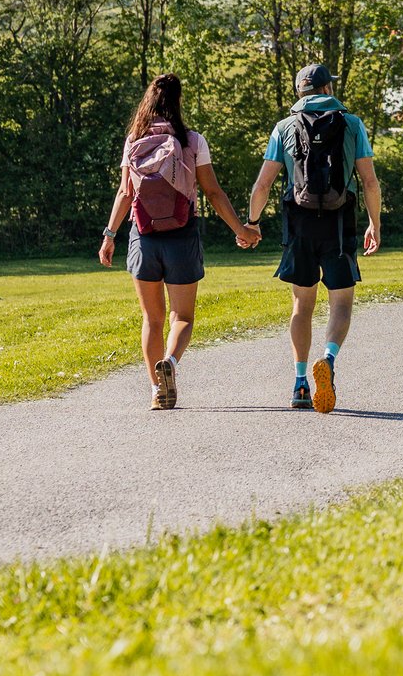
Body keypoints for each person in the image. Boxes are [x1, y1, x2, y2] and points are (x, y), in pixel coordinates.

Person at [97, 73, 255, 410]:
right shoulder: (193, 141)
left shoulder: (133, 140)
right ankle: (170, 362)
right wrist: (240, 229)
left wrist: (109, 235)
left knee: (151, 319)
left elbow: (126, 193)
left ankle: (157, 390)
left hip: (144, 236)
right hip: (182, 236)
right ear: (178, 102)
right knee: (181, 317)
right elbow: (212, 192)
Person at [243, 60, 382, 413]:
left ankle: (301, 383)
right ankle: (329, 360)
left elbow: (262, 184)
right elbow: (369, 182)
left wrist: (252, 222)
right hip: (338, 226)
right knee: (341, 303)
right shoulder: (351, 124)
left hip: (299, 226)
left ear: (299, 92)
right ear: (327, 89)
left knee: (301, 305)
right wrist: (374, 224)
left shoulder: (284, 127)